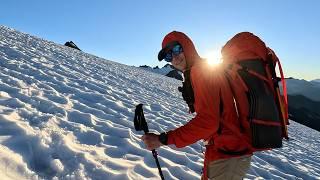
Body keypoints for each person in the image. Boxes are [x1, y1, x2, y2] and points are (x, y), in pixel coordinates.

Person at [141, 31, 253, 180]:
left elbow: (208, 122)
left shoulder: (201, 71)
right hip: (226, 151)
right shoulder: (199, 70)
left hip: (228, 153)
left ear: (187, 46)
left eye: (176, 49)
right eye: (168, 55)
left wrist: (162, 139)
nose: (174, 57)